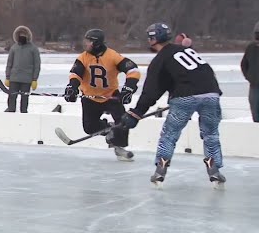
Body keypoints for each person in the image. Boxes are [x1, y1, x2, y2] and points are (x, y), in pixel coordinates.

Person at [120, 22, 225, 186]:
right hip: (211, 94)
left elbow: (151, 91)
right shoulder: (187, 50)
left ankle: (160, 169)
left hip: (184, 97)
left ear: (154, 39)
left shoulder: (160, 59)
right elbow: (204, 72)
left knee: (169, 135)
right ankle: (214, 169)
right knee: (211, 134)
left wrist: (136, 113)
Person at [64, 28, 141, 161]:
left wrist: (129, 88)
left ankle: (119, 147)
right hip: (89, 97)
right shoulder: (83, 57)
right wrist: (72, 88)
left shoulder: (112, 56)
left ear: (97, 43)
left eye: (88, 41)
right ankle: (109, 130)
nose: (85, 44)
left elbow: (133, 70)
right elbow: (75, 74)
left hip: (110, 95)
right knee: (89, 128)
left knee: (123, 121)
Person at [4, 25, 41, 113]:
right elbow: (9, 63)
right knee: (12, 98)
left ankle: (24, 114)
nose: (22, 36)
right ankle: (10, 112)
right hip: (14, 78)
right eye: (20, 34)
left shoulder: (33, 49)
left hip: (27, 80)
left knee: (24, 100)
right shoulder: (14, 48)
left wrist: (34, 79)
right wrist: (8, 77)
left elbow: (37, 65)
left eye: (24, 35)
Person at [240, 21, 259, 122]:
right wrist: (250, 77)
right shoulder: (251, 48)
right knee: (255, 110)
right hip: (254, 86)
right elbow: (244, 64)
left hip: (254, 85)